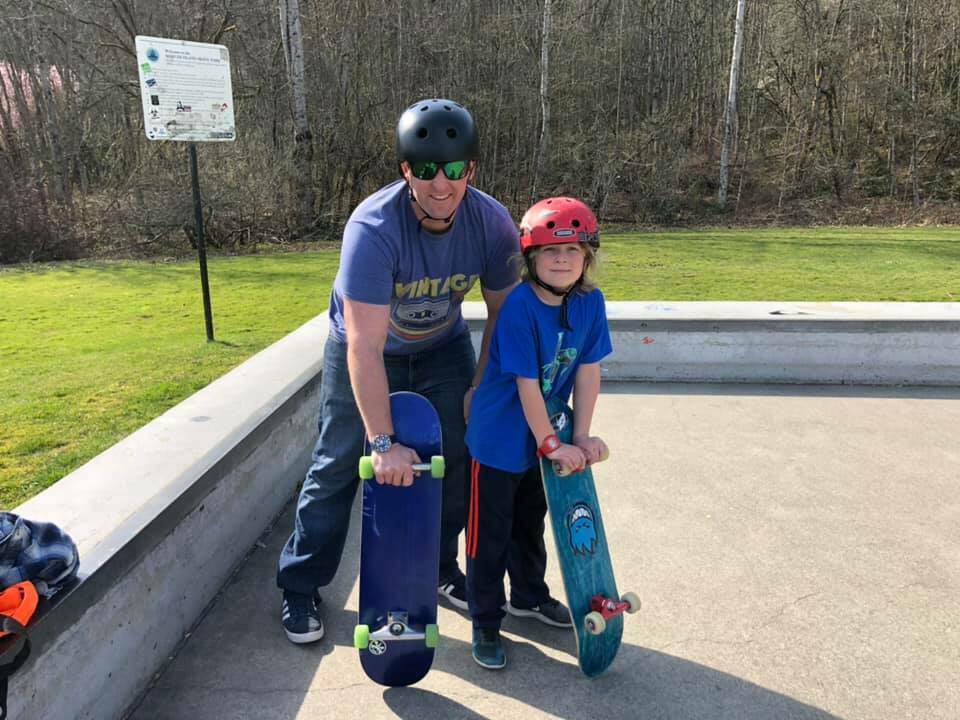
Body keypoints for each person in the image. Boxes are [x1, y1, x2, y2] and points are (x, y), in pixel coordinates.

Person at [277, 98, 520, 643]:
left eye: (455, 170)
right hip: (365, 349)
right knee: (339, 461)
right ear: (406, 169)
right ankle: (300, 583)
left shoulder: (492, 223)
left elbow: (505, 314)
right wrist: (382, 440)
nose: (442, 185)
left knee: (457, 453)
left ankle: (436, 568)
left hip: (442, 346)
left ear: (471, 170)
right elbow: (364, 348)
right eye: (427, 169)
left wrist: (480, 387)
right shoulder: (373, 228)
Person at [464, 196, 613, 669]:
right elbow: (527, 386)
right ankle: (485, 621)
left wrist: (583, 437)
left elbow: (588, 370)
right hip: (499, 437)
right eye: (550, 251)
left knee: (530, 523)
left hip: (544, 438)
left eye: (573, 251)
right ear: (530, 258)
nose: (562, 260)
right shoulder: (519, 308)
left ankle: (527, 596)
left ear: (588, 256)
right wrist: (552, 443)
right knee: (490, 535)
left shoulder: (591, 303)